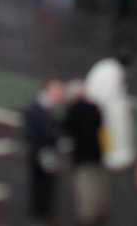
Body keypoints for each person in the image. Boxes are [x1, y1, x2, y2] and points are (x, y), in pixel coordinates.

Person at [62, 80, 108, 225]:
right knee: (97, 184)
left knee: (84, 188)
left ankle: (88, 216)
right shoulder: (95, 108)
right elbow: (102, 131)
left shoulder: (73, 110)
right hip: (97, 154)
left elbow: (66, 129)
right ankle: (100, 210)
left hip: (81, 156)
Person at [84, 50, 136, 171]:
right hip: (103, 109)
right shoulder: (115, 72)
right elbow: (112, 94)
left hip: (92, 106)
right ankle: (106, 154)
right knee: (109, 132)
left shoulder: (104, 66)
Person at [22, 78, 64, 223]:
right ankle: (43, 210)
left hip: (38, 151)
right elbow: (47, 132)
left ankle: (39, 208)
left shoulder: (38, 105)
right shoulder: (41, 108)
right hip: (42, 152)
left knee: (40, 181)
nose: (59, 94)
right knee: (44, 182)